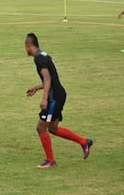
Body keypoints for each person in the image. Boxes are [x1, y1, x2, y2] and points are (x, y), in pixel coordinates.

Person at [25, 32, 93, 169]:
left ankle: (50, 161)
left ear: (28, 45)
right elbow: (52, 78)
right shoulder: (45, 55)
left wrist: (44, 99)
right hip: (59, 93)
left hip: (54, 97)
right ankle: (84, 142)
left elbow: (48, 79)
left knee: (41, 127)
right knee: (53, 128)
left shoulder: (38, 59)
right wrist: (37, 88)